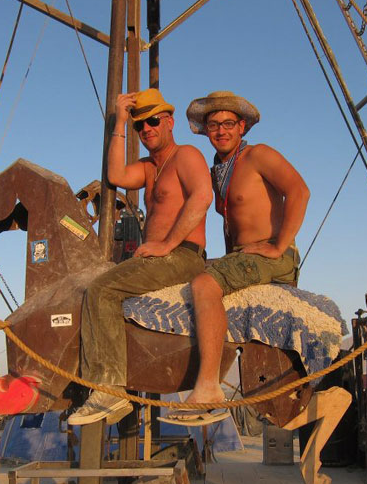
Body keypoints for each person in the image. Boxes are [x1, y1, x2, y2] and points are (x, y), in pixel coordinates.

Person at [67, 88, 213, 425]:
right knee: (96, 285)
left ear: (169, 122)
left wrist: (168, 244)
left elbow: (202, 197)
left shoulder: (186, 155)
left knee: (102, 290)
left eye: (153, 121)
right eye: (140, 126)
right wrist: (120, 122)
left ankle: (109, 390)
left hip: (182, 256)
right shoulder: (149, 168)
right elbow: (116, 176)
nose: (146, 129)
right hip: (156, 259)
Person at [168, 91, 310, 419]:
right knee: (188, 274)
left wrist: (279, 246)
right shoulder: (219, 170)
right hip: (244, 257)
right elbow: (230, 223)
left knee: (204, 285)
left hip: (272, 255)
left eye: (228, 124)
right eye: (213, 125)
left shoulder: (258, 155)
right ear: (206, 131)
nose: (221, 131)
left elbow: (300, 191)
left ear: (241, 126)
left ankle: (207, 387)